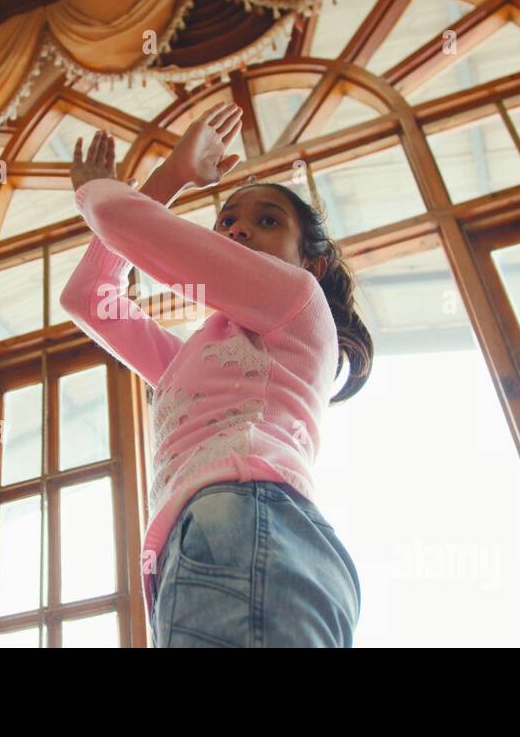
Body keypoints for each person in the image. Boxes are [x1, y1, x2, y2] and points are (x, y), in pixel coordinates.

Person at [61, 102, 372, 647]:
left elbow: (123, 222)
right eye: (225, 220)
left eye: (267, 221)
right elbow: (90, 298)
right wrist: (169, 179)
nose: (238, 231)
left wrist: (145, 184)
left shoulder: (298, 301)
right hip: (207, 544)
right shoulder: (192, 360)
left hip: (248, 524)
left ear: (312, 264)